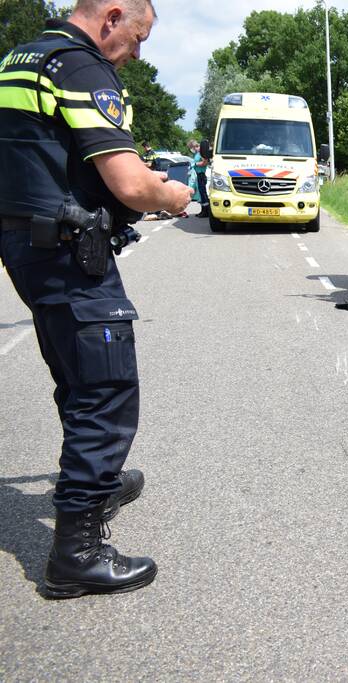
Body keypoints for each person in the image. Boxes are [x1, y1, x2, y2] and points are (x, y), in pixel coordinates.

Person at [0, 0, 192, 598]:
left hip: (27, 246)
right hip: (68, 251)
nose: (136, 53)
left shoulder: (17, 60)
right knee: (105, 389)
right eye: (137, 36)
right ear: (111, 17)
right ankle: (77, 552)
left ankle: (98, 483)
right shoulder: (79, 67)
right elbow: (131, 184)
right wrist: (171, 195)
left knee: (76, 374)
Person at [187, 139, 210, 218]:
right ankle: (203, 210)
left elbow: (205, 162)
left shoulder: (201, 152)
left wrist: (195, 164)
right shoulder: (197, 153)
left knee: (203, 194)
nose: (191, 150)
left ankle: (206, 211)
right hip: (198, 174)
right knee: (201, 194)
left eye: (191, 148)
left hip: (201, 174)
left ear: (194, 146)